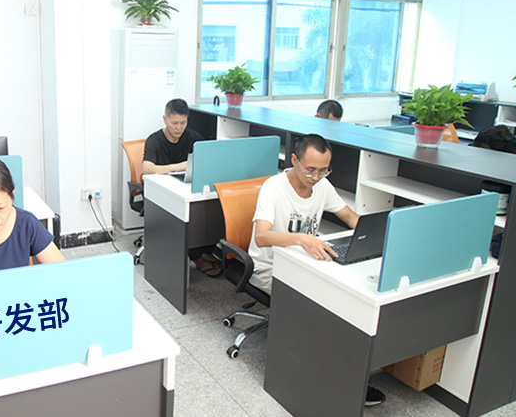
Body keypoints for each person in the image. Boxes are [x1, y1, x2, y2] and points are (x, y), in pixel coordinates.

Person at [247, 133, 386, 407]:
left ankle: (349, 380)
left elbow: (350, 217)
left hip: (308, 264)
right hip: (270, 268)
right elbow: (261, 237)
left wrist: (376, 234)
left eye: (323, 170)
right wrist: (301, 239)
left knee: (349, 303)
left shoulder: (322, 185)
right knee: (324, 309)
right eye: (310, 169)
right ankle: (320, 379)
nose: (316, 177)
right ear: (294, 160)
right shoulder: (273, 187)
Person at [142, 98, 221, 276]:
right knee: (191, 216)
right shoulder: (154, 140)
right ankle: (197, 257)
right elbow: (146, 169)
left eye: (183, 123)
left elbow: (208, 157)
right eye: (174, 123)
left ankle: (205, 250)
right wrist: (178, 167)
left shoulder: (193, 137)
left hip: (185, 187)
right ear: (165, 119)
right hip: (161, 193)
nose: (179, 128)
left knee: (208, 209)